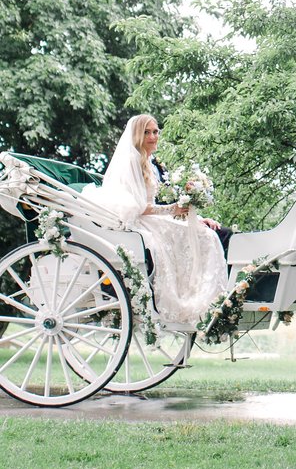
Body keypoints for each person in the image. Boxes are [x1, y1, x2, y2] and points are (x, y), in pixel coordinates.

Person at [89, 115, 228, 326]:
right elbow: (138, 207)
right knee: (202, 237)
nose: (153, 137)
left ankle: (207, 296)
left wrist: (194, 216)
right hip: (141, 221)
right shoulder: (132, 161)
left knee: (203, 232)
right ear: (137, 135)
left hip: (153, 218)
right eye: (147, 132)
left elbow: (164, 202)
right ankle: (195, 298)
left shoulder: (151, 162)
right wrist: (173, 209)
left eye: (155, 132)